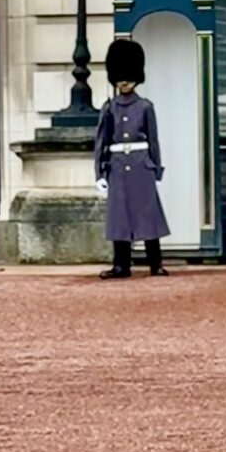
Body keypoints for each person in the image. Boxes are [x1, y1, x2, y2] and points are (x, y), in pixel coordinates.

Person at [94, 39, 170, 279]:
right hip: (117, 166)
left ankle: (155, 263)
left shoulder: (145, 107)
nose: (124, 81)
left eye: (128, 76)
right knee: (119, 217)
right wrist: (99, 173)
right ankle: (121, 264)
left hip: (141, 165)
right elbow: (101, 143)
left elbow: (153, 141)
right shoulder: (109, 108)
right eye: (120, 76)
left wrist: (156, 169)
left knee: (148, 215)